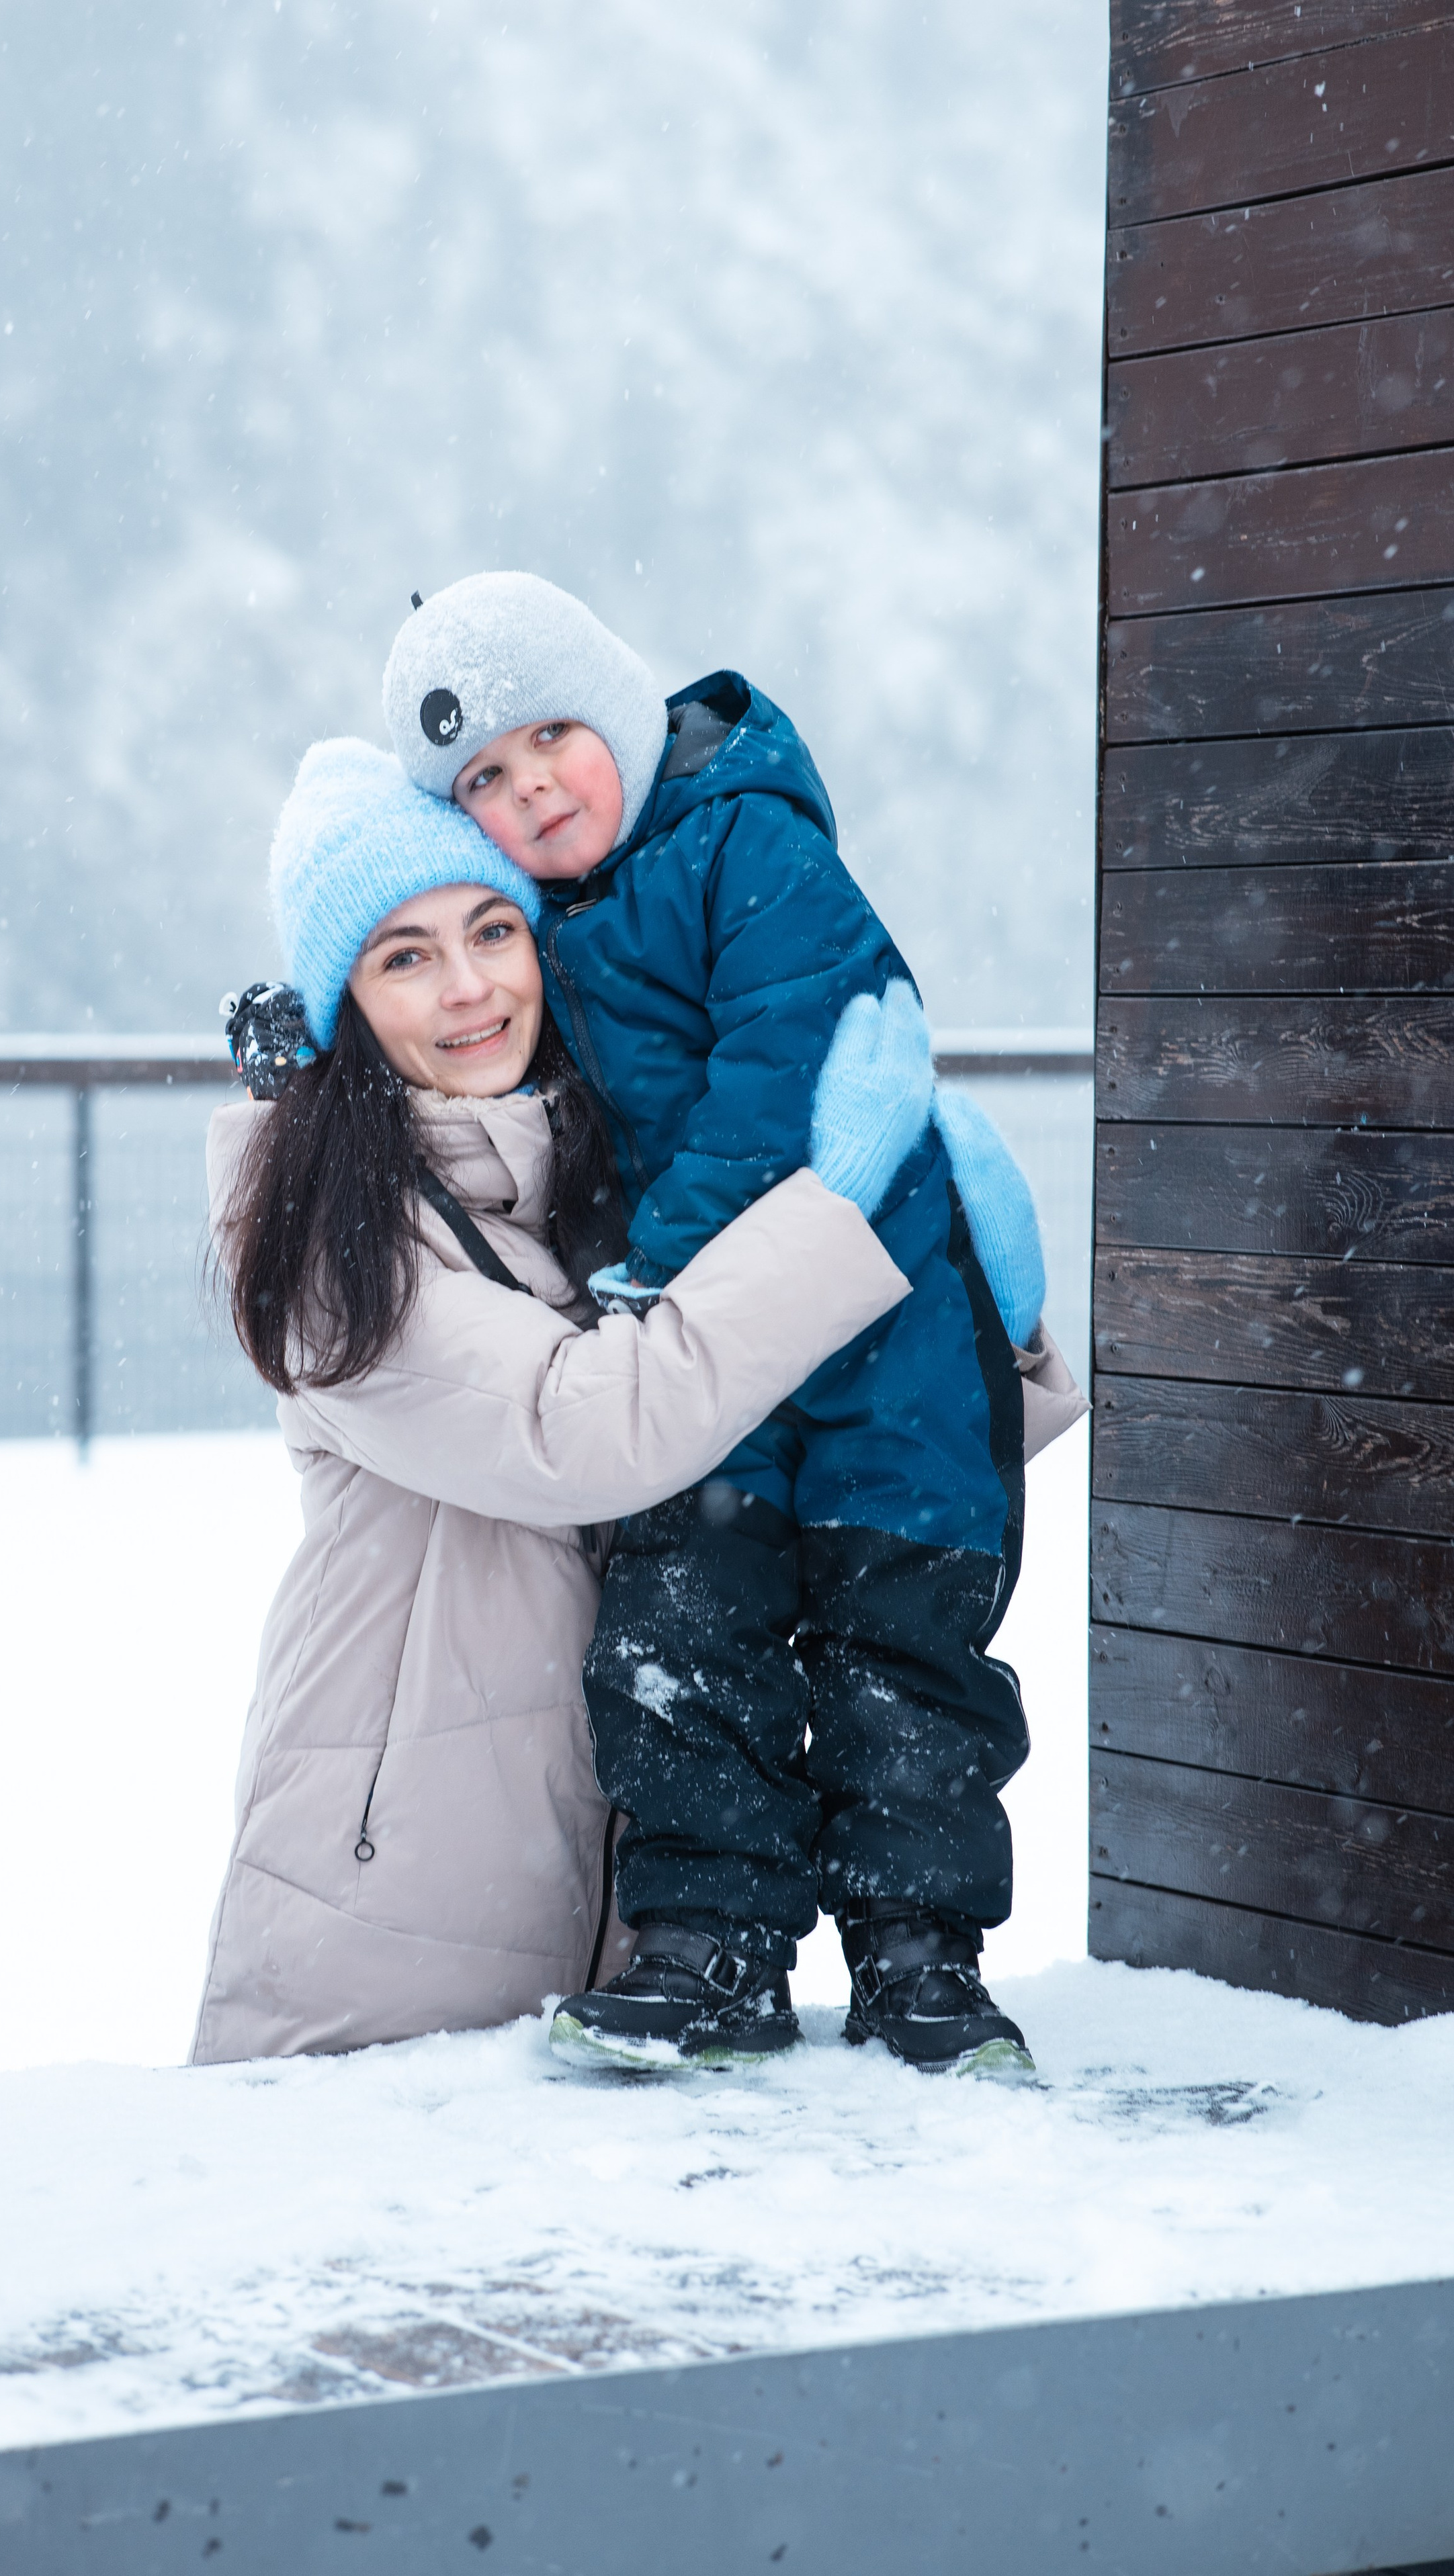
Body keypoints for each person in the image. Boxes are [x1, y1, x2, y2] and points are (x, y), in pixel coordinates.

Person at [382, 574, 1084, 2076]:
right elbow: (418, 998)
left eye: (552, 737)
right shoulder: (542, 931)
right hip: (720, 1357)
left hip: (882, 1343)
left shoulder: (743, 843)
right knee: (682, 1639)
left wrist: (666, 1262)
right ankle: (712, 1948)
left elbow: (787, 1067)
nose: (532, 791)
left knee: (905, 1648)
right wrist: (300, 1032)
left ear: (625, 713)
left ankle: (921, 1958)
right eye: (484, 783)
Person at [190, 736, 940, 2065]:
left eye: (493, 929)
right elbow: (591, 1432)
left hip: (613, 1919)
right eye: (403, 955)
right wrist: (832, 1211)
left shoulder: (582, 1187)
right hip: (388, 1924)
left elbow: (757, 1431)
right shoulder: (327, 1246)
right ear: (340, 1007)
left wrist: (985, 1325)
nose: (470, 986)